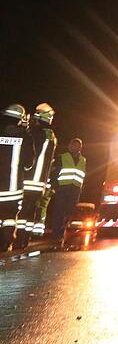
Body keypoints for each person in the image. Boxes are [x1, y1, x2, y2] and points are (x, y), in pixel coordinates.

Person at [14, 103, 57, 249]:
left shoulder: (34, 133)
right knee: (30, 211)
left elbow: (26, 153)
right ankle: (24, 240)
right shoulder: (50, 135)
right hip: (40, 183)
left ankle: (18, 240)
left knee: (21, 210)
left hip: (27, 178)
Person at [1, 104, 30, 251]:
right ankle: (5, 244)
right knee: (10, 218)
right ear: (20, 119)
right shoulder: (24, 135)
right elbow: (29, 163)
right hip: (12, 188)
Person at [48, 137, 87, 243]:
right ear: (69, 146)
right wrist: (54, 186)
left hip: (75, 189)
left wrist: (80, 188)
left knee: (68, 212)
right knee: (59, 212)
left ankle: (61, 232)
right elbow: (54, 173)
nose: (75, 147)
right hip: (62, 188)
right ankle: (56, 235)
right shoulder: (62, 157)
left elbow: (82, 175)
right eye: (73, 145)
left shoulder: (83, 160)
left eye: (78, 145)